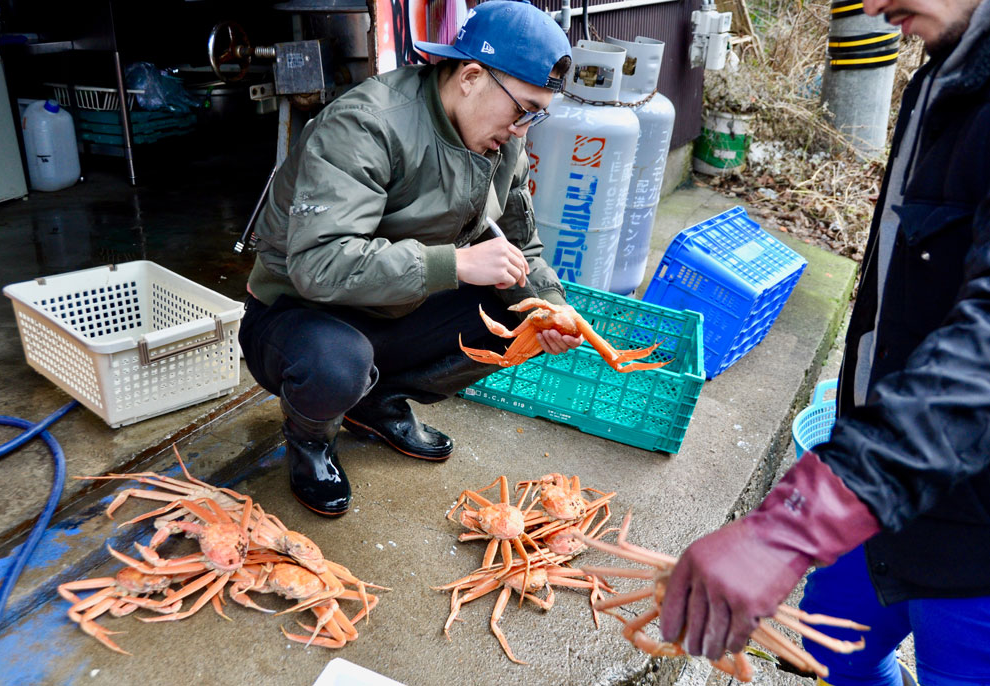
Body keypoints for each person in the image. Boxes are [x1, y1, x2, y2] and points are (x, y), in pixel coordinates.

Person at [656, 0, 990, 683]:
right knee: (825, 660)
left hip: (971, 530)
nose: (869, 7)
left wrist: (793, 525)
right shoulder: (941, 70)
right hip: (880, 477)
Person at [238, 0, 582, 517]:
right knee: (338, 365)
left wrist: (550, 305)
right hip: (299, 315)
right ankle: (310, 438)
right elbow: (320, 264)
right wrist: (456, 265)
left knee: (519, 316)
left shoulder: (504, 144)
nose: (522, 129)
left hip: (393, 306)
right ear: (470, 76)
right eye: (522, 109)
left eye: (538, 116)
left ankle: (374, 403)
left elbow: (520, 245)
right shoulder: (366, 124)